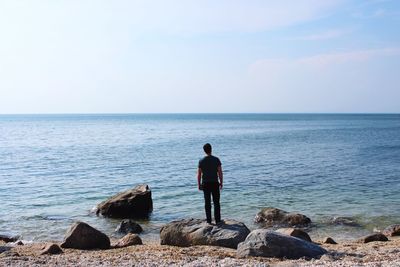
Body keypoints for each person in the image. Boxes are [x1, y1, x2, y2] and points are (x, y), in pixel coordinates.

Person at [197, 143, 223, 224]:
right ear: (211, 149)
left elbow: (199, 174)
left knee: (207, 203)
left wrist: (199, 184)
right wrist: (221, 182)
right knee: (216, 202)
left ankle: (209, 221)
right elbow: (220, 172)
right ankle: (217, 220)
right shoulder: (216, 159)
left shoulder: (201, 161)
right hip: (215, 183)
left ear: (204, 151)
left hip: (205, 183)